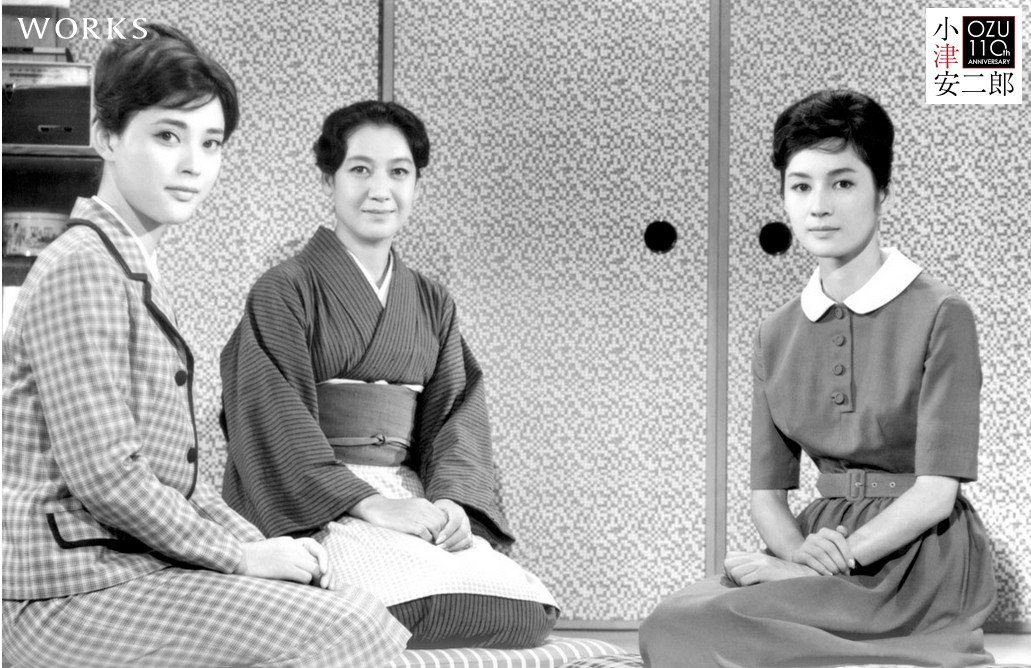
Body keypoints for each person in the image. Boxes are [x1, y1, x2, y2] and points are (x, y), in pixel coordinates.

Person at [1, 25, 409, 667]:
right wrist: (239, 556)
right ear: (107, 136)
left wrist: (268, 549)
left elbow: (179, 482)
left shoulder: (127, 267)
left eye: (211, 142)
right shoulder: (83, 265)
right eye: (168, 135)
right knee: (349, 628)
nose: (194, 163)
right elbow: (107, 477)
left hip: (126, 568)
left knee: (349, 603)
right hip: (65, 590)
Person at [639, 89, 996, 667]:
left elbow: (936, 495)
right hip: (812, 545)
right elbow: (766, 496)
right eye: (801, 186)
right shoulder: (775, 333)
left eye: (843, 182)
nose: (819, 206)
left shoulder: (941, 313)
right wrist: (797, 559)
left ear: (882, 190)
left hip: (916, 555)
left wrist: (833, 562)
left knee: (714, 630)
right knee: (671, 623)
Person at [220, 100, 559, 649]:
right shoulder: (283, 290)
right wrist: (369, 504)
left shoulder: (432, 301)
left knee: (524, 610)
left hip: (408, 493)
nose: (381, 190)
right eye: (360, 169)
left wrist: (451, 503)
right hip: (323, 501)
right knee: (374, 611)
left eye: (399, 172)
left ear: (416, 184)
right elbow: (271, 418)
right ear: (329, 178)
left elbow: (455, 418)